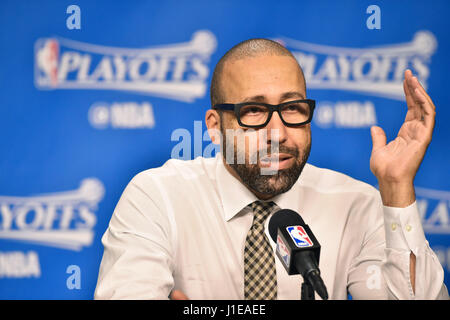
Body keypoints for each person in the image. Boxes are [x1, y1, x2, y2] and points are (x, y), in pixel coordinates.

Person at [94, 39, 448, 300]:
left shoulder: (357, 204)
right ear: (215, 127)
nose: (277, 134)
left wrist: (397, 187)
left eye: (293, 108)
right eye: (253, 111)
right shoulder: (158, 197)